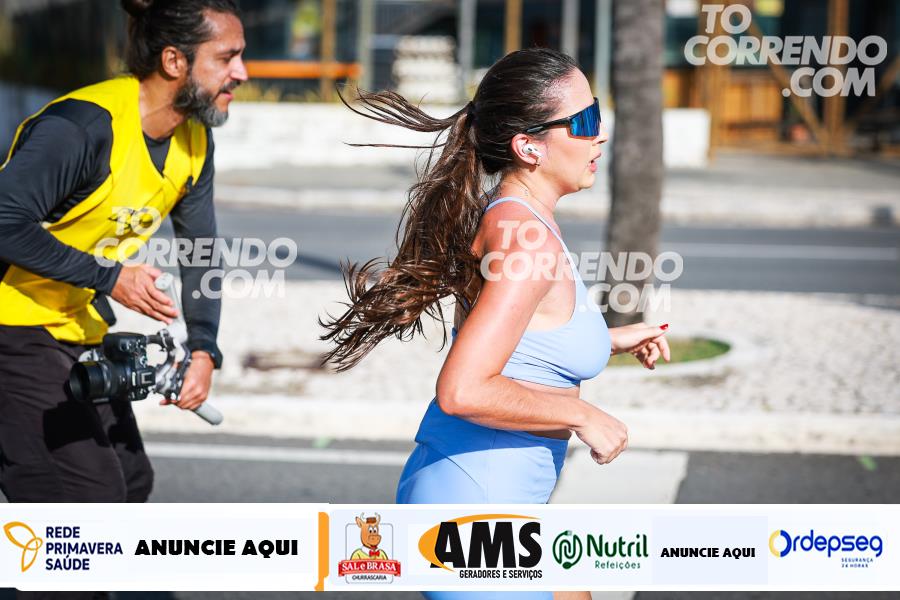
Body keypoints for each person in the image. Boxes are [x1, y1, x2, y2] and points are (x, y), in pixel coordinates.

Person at [320, 48, 670, 600]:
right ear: (529, 146)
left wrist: (609, 340)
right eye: (584, 121)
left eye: (598, 113)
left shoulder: (517, 216)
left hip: (491, 501)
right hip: (475, 513)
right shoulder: (526, 239)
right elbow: (463, 389)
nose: (600, 135)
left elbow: (525, 337)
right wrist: (581, 414)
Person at [0, 0, 247, 517]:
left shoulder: (194, 139)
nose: (241, 73)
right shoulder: (81, 127)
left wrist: (203, 350)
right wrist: (109, 277)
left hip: (72, 324)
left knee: (132, 483)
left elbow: (201, 252)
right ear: (174, 61)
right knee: (86, 502)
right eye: (226, 58)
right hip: (12, 330)